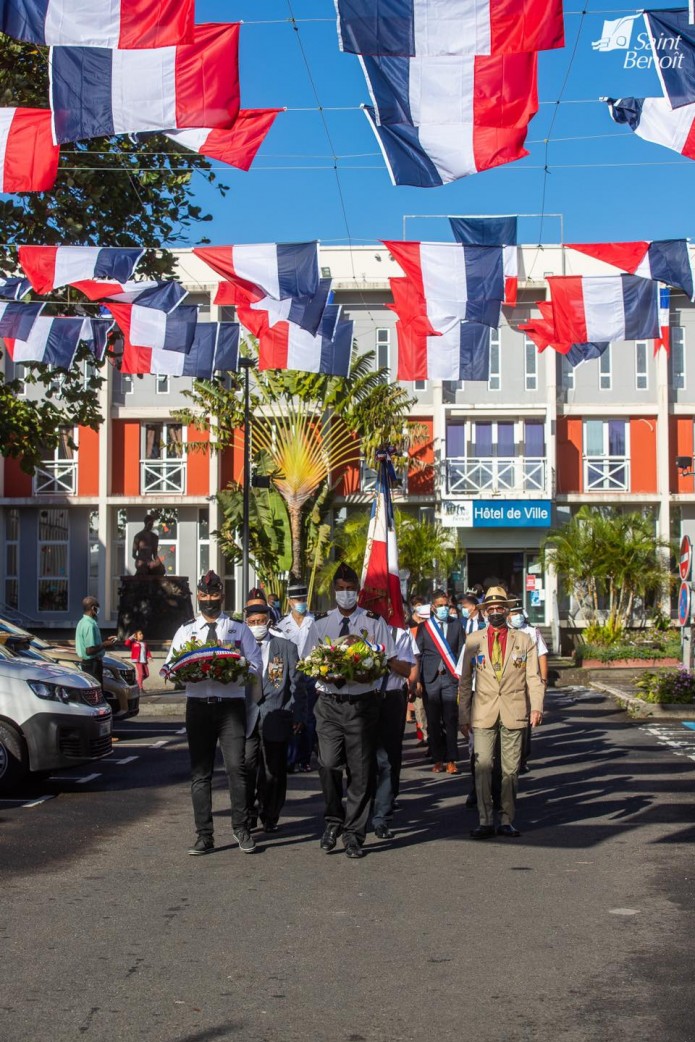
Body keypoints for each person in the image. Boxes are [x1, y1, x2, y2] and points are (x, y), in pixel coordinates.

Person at [304, 562, 407, 859]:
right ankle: (333, 820)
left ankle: (353, 834)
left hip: (363, 704)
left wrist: (366, 669)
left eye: (350, 590)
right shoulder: (320, 623)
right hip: (329, 704)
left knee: (361, 772)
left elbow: (386, 660)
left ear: (357, 592)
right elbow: (310, 663)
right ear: (334, 591)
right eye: (341, 589)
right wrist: (325, 673)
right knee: (327, 764)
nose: (346, 594)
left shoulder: (374, 622)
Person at [164, 570, 262, 856]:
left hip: (229, 706)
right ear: (198, 596)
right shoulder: (185, 630)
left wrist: (237, 667)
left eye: (214, 594)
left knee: (236, 768)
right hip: (198, 707)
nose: (209, 600)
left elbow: (256, 665)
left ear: (222, 595)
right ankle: (204, 835)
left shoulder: (238, 629)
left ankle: (241, 827)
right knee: (200, 773)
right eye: (204, 595)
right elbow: (171, 666)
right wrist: (184, 675)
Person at [458, 586, 545, 839]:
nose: (495, 613)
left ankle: (506, 819)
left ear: (508, 611)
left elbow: (533, 677)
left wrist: (537, 706)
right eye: (491, 609)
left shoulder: (524, 640)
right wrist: (463, 715)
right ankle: (485, 820)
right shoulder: (474, 641)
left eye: (500, 608)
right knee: (483, 765)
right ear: (484, 612)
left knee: (510, 769)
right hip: (483, 711)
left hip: (514, 710)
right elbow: (465, 681)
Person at [244, 603, 307, 833]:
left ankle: (270, 814)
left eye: (260, 621)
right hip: (247, 717)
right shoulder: (238, 649)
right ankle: (247, 813)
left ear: (269, 622)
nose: (256, 626)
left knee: (274, 771)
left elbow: (297, 685)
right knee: (247, 766)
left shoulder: (285, 647)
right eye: (252, 622)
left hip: (277, 713)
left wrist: (298, 713)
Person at [372, 624, 420, 840]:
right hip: (364, 699)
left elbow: (408, 668)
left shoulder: (401, 634)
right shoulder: (361, 627)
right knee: (363, 757)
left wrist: (388, 659)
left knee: (388, 758)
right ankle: (362, 809)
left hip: (391, 697)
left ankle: (382, 813)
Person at [415, 589, 466, 774]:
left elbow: (462, 651)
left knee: (451, 720)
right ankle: (437, 759)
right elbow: (418, 655)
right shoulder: (424, 627)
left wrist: (461, 676)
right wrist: (418, 681)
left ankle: (452, 759)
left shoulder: (456, 625)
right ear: (433, 607)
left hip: (450, 679)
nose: (444, 609)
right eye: (440, 606)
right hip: (430, 680)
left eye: (447, 605)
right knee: (434, 721)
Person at [276, 579, 319, 772]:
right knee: (292, 715)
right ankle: (290, 759)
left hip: (311, 673)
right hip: (291, 675)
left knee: (309, 718)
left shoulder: (316, 621)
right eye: (296, 599)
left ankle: (305, 758)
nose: (300, 601)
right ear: (289, 601)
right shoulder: (282, 625)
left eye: (302, 597)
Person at [508, 600, 549, 772]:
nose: (516, 616)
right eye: (513, 612)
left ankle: (522, 757)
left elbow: (542, 656)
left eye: (518, 612)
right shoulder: (502, 631)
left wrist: (543, 680)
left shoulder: (532, 632)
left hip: (527, 684)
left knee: (524, 722)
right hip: (508, 684)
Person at [75, 596, 124, 715]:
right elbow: (89, 650)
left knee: (94, 693)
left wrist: (105, 641)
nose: (98, 611)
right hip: (92, 664)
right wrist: (105, 644)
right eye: (97, 608)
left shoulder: (83, 622)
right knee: (96, 695)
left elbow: (93, 644)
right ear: (92, 608)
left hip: (89, 663)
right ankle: (100, 721)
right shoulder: (89, 625)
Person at [408, 598, 429, 745]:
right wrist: (416, 680)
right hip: (417, 677)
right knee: (419, 709)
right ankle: (425, 736)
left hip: (433, 677)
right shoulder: (411, 630)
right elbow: (413, 657)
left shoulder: (435, 631)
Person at [124, 629, 152, 694]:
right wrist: (131, 637)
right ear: (136, 636)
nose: (142, 635)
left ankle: (137, 682)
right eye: (140, 634)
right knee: (141, 674)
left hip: (144, 661)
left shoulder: (144, 643)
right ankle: (140, 688)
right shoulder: (133, 644)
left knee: (147, 674)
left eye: (142, 634)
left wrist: (149, 657)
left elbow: (147, 651)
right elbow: (126, 643)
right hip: (138, 661)